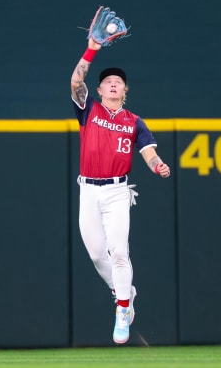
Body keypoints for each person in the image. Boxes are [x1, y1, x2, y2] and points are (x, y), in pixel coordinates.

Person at [70, 36, 171, 344]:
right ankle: (123, 290)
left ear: (125, 91)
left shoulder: (135, 122)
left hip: (117, 191)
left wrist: (156, 165)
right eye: (108, 82)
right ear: (99, 90)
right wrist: (92, 49)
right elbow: (76, 81)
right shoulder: (89, 111)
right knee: (97, 253)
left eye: (118, 82)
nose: (113, 84)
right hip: (88, 190)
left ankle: (123, 308)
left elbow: (148, 153)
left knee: (119, 252)